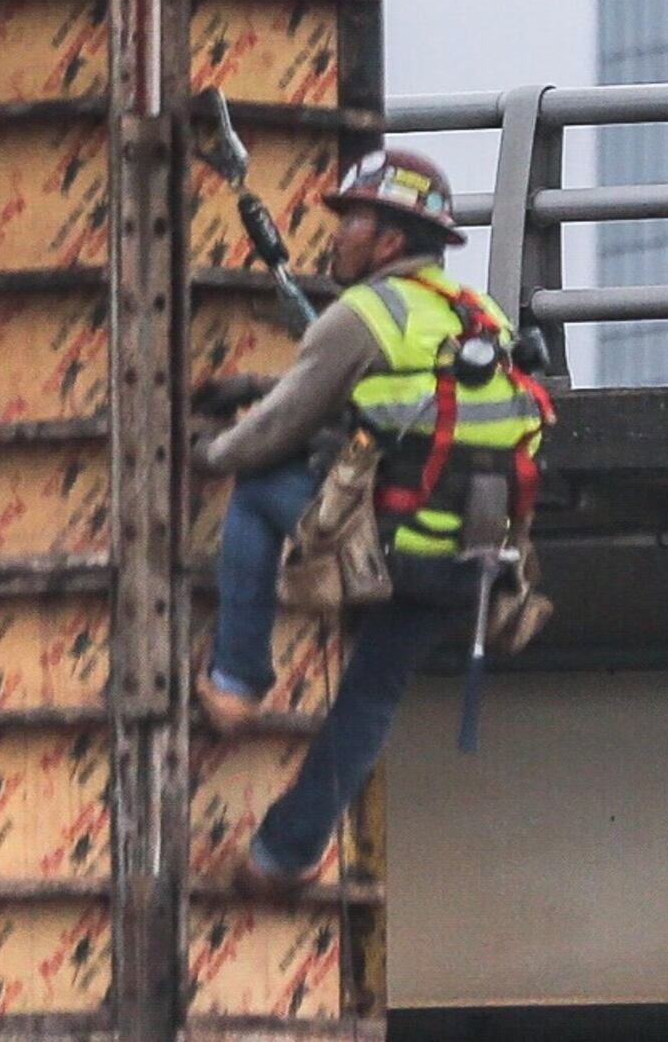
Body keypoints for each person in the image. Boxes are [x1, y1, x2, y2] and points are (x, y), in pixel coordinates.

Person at [192, 145, 550, 886]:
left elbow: (279, 429)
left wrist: (211, 451)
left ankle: (237, 678)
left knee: (258, 493)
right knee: (372, 696)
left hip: (390, 543)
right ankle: (280, 856)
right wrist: (264, 384)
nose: (338, 234)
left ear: (388, 239)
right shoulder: (473, 313)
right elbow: (410, 403)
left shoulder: (363, 313)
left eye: (351, 220)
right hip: (468, 560)